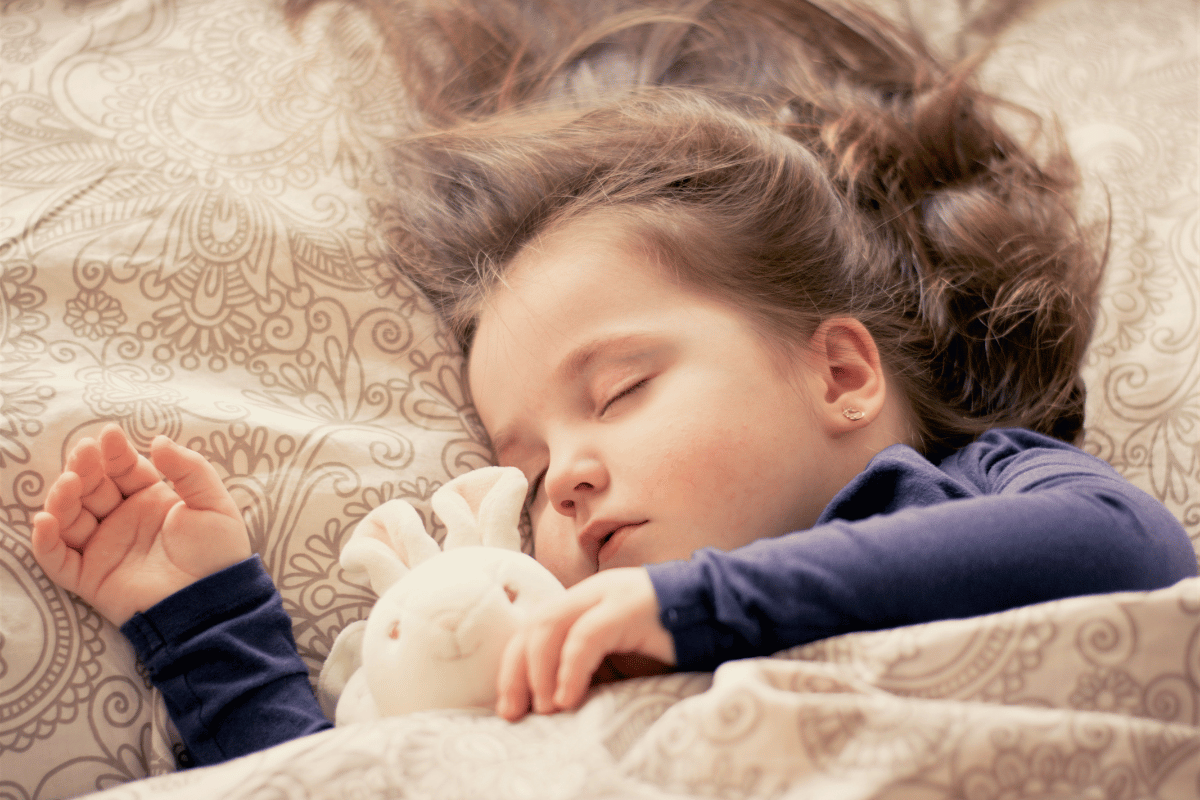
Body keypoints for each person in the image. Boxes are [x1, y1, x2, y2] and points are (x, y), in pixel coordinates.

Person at [32, 0, 1199, 769]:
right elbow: (361, 780)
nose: (567, 479)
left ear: (839, 368)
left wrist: (697, 605)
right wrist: (207, 622)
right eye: (525, 472)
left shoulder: (973, 491)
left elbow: (1127, 549)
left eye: (624, 386)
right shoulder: (543, 646)